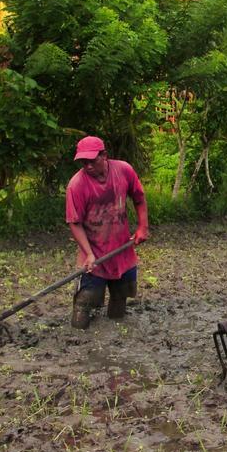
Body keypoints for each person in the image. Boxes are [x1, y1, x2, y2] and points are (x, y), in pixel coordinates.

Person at [65, 136, 149, 329]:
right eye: (83, 162)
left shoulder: (123, 170)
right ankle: (77, 340)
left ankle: (116, 332)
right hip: (94, 250)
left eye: (92, 161)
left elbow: (139, 197)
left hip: (122, 249)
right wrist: (89, 253)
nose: (88, 166)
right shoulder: (76, 185)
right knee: (85, 301)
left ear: (104, 156)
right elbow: (74, 223)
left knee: (121, 296)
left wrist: (143, 227)